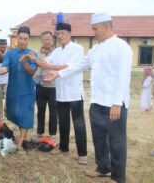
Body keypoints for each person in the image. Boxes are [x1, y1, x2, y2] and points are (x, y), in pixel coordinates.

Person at [44, 13, 133, 183]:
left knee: (116, 141)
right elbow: (79, 66)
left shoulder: (122, 47)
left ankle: (118, 176)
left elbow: (123, 77)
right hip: (97, 102)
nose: (93, 32)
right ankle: (103, 167)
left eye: (95, 28)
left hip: (114, 103)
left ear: (106, 27)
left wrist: (117, 103)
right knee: (99, 139)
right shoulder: (95, 49)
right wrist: (58, 74)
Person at [29, 24, 87, 165]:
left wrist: (49, 68)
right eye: (58, 33)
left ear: (69, 34)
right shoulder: (57, 51)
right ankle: (63, 147)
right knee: (63, 122)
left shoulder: (77, 48)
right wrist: (35, 59)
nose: (59, 36)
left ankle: (82, 154)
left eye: (62, 33)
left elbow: (70, 66)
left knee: (78, 123)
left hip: (74, 93)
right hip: (60, 92)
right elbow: (45, 62)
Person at [0, 26, 37, 154]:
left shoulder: (32, 54)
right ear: (16, 38)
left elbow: (32, 72)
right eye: (20, 38)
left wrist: (25, 63)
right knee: (15, 115)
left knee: (25, 117)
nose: (22, 41)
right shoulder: (10, 53)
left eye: (25, 39)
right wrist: (4, 68)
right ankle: (23, 137)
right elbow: (6, 62)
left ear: (28, 40)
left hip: (27, 92)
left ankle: (20, 144)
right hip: (13, 92)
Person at [31, 31, 58, 141]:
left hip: (54, 87)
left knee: (53, 112)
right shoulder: (38, 54)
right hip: (41, 86)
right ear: (41, 41)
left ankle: (53, 133)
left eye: (49, 39)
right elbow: (38, 69)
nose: (46, 41)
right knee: (40, 111)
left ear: (52, 41)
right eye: (44, 39)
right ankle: (39, 132)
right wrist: (35, 81)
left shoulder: (57, 53)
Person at [0, 39, 8, 119]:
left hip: (7, 80)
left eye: (4, 47)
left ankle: (7, 113)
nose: (2, 49)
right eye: (1, 47)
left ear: (6, 46)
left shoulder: (9, 54)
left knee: (8, 97)